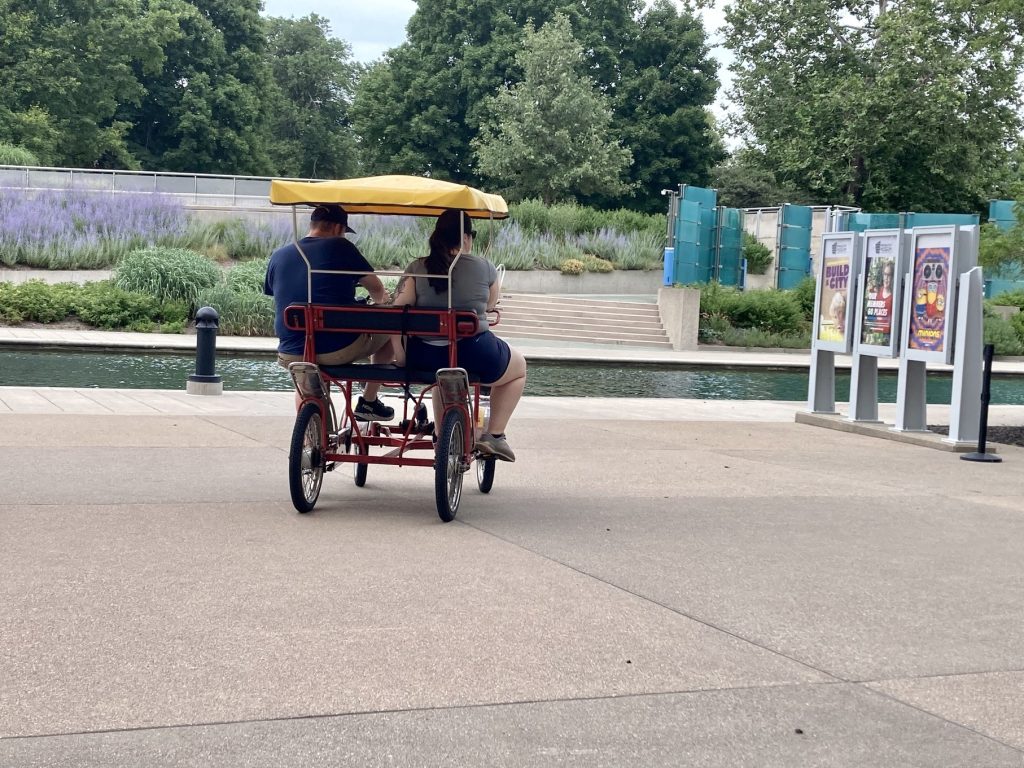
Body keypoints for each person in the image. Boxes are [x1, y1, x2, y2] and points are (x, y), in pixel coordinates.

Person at [391, 209, 527, 462]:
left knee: (440, 379)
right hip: (473, 352)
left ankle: (443, 441)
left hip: (425, 354)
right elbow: (490, 304)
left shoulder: (417, 267)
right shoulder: (484, 267)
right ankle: (495, 435)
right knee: (518, 368)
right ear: (466, 237)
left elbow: (398, 307)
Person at [264, 204, 394, 421]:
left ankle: (312, 436)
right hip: (338, 348)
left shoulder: (279, 255)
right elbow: (376, 288)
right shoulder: (340, 246)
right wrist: (382, 303)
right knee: (392, 327)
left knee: (306, 378)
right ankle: (369, 401)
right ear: (336, 228)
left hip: (292, 350)